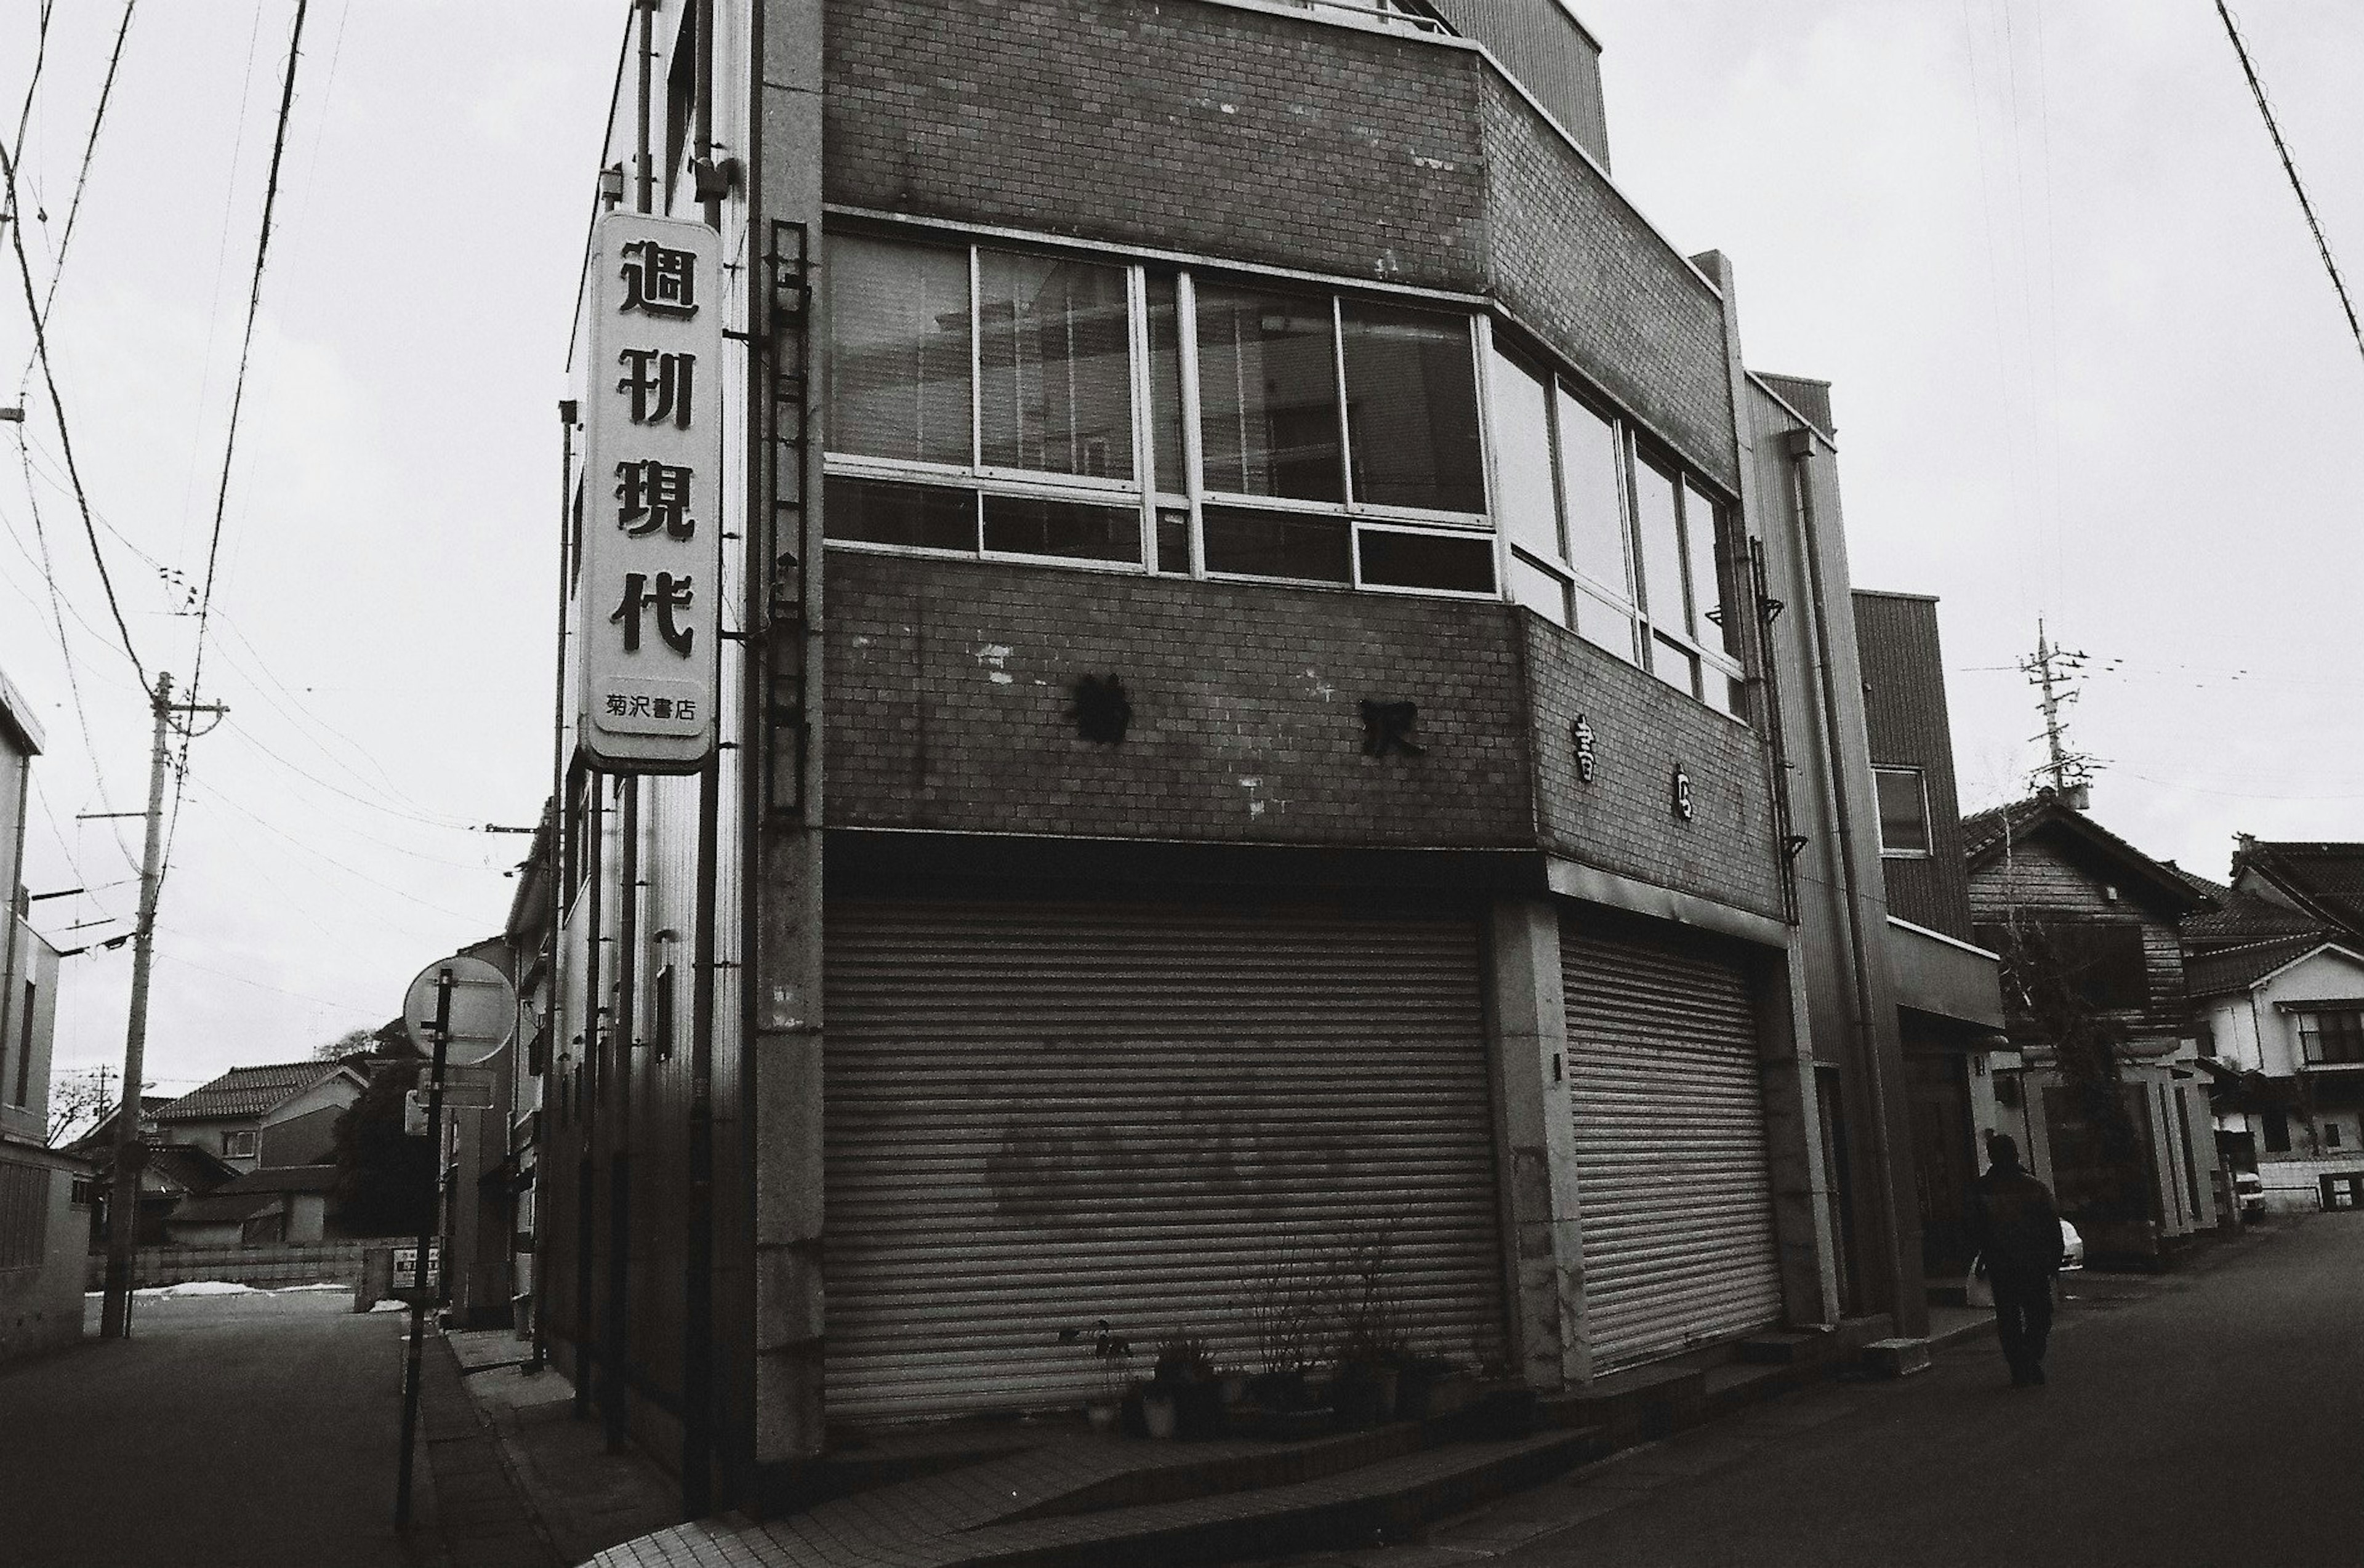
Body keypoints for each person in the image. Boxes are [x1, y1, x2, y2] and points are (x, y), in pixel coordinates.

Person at [1964, 1132, 2064, 1386]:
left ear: (1991, 1157)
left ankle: (2020, 1365)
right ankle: (2029, 1358)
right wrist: (2054, 1261)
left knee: (2008, 1319)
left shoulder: (1980, 1190)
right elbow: (2053, 1227)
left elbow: (1973, 1229)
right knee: (2039, 1316)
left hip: (2002, 1265)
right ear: (2016, 1154)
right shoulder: (2035, 1187)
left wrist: (1983, 1255)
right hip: (2034, 1264)